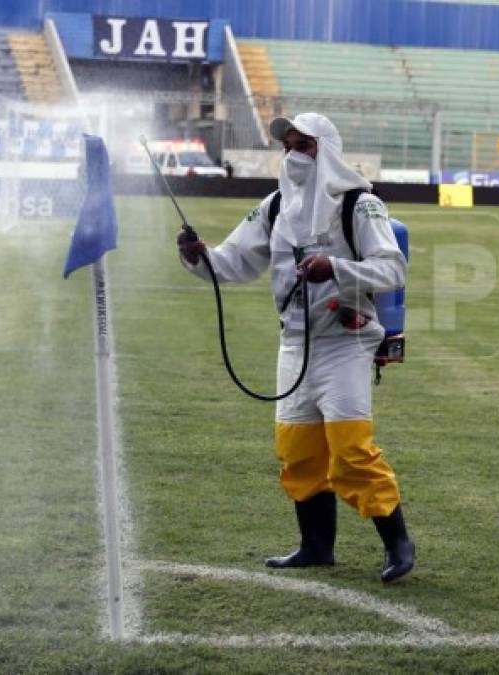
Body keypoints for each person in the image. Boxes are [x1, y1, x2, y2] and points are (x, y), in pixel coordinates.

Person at [176, 112, 416, 583]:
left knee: (350, 451)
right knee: (298, 451)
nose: (292, 155)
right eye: (286, 146)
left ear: (325, 148)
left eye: (302, 145)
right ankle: (315, 547)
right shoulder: (274, 207)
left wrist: (338, 270)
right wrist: (196, 256)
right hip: (294, 346)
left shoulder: (359, 205)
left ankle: (398, 543)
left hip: (345, 344)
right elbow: (231, 262)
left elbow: (393, 269)